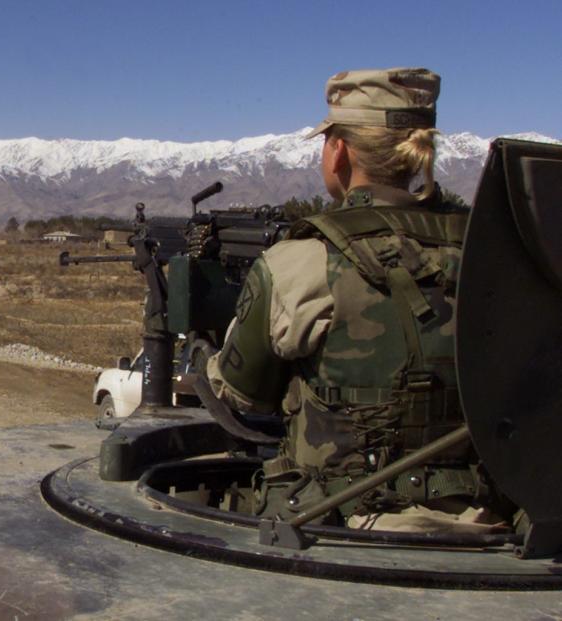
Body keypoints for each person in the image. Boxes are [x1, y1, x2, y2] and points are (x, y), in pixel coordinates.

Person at [206, 68, 497, 532]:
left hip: (341, 525)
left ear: (338, 151)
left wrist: (205, 353)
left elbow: (246, 396)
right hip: (490, 520)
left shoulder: (300, 261)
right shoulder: (489, 251)